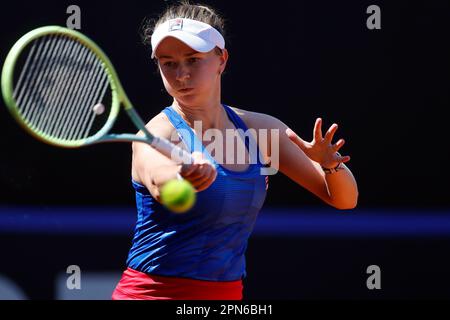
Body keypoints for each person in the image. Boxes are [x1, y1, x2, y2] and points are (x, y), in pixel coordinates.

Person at [112, 1, 358, 300]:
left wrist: (331, 164)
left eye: (193, 59)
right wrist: (182, 175)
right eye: (168, 62)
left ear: (222, 60)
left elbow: (344, 199)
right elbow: (160, 183)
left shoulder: (261, 131)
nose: (181, 74)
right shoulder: (154, 136)